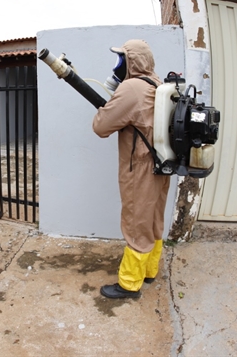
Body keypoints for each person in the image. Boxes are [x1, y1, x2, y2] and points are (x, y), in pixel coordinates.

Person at [92, 39, 170, 299]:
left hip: (140, 167)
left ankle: (129, 283)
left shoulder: (132, 88)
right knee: (153, 218)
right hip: (161, 164)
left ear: (132, 61)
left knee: (136, 221)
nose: (118, 65)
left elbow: (101, 126)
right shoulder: (158, 84)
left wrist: (115, 92)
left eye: (121, 59)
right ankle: (149, 270)